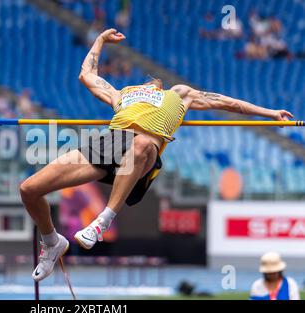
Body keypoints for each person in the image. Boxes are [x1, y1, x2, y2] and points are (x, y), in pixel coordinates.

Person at [20, 28, 294, 282]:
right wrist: (100, 40)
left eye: (154, 81)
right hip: (109, 142)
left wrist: (270, 113)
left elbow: (226, 102)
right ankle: (52, 242)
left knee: (142, 144)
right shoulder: (121, 95)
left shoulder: (179, 95)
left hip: (143, 151)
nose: (151, 81)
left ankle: (102, 221)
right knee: (29, 188)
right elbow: (87, 75)